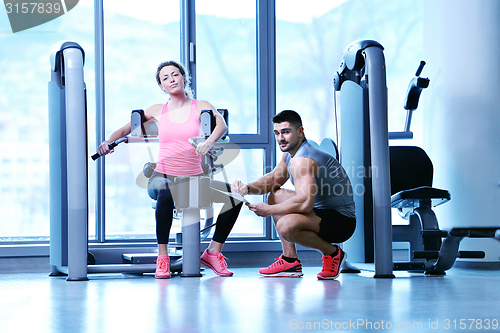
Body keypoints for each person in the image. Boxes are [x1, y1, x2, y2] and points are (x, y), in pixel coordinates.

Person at [97, 60, 243, 279]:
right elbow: (125, 129)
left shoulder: (200, 105)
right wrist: (107, 142)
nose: (171, 80)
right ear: (161, 86)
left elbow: (222, 126)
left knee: (235, 197)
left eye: (175, 75)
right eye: (165, 78)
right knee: (167, 191)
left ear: (184, 78)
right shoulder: (157, 110)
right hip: (162, 177)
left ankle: (213, 253)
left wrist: (209, 142)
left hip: (193, 179)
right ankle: (162, 257)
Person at [231, 110, 356, 280]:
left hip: (341, 221)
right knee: (274, 195)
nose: (280, 138)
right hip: (321, 212)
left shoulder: (303, 160)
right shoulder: (293, 153)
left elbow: (305, 203)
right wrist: (246, 188)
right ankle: (290, 261)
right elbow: (274, 179)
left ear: (300, 131)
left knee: (285, 226)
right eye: (277, 133)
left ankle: (333, 253)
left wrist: (269, 210)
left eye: (286, 132)